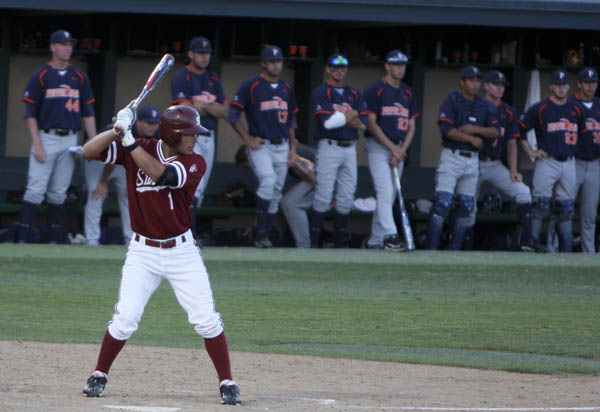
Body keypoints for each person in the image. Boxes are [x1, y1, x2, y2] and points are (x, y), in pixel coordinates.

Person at [80, 104, 241, 405]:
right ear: (172, 134)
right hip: (143, 251)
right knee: (125, 318)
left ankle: (227, 381)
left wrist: (127, 140)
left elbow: (163, 174)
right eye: (190, 134)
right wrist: (116, 128)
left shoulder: (194, 162)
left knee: (206, 319)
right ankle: (99, 373)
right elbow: (89, 151)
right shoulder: (139, 145)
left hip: (182, 252)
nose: (196, 139)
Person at [17, 29, 96, 243]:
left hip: (70, 139)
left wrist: (94, 141)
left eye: (70, 44)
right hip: (46, 137)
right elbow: (30, 114)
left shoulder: (79, 77)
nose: (68, 47)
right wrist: (37, 143)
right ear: (53, 47)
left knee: (59, 192)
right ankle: (22, 239)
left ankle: (52, 240)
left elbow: (87, 113)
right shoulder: (41, 75)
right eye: (63, 44)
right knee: (35, 189)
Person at [227, 45, 299, 248]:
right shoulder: (251, 85)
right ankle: (260, 233)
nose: (276, 65)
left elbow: (292, 120)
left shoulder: (286, 87)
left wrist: (293, 148)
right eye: (272, 61)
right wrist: (247, 139)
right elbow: (233, 115)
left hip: (283, 144)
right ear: (263, 63)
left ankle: (265, 234)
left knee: (276, 191)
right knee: (268, 181)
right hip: (261, 145)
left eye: (279, 61)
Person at [463, 70, 542, 252]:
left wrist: (513, 169)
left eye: (502, 86)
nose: (499, 89)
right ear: (487, 86)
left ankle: (527, 241)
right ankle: (464, 247)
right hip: (474, 161)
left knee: (523, 191)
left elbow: (512, 142)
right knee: (468, 205)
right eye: (496, 85)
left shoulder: (508, 111)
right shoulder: (476, 105)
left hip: (495, 163)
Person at [426, 65, 500, 250]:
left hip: (472, 160)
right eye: (471, 80)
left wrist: (475, 130)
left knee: (467, 206)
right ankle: (431, 249)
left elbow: (495, 131)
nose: (475, 84)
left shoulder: (485, 105)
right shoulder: (452, 100)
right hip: (452, 156)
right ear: (462, 82)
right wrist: (471, 139)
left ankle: (454, 250)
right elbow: (446, 129)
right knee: (443, 203)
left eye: (477, 80)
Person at [519, 69, 583, 253]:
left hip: (569, 162)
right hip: (547, 161)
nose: (561, 88)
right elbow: (520, 129)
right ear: (551, 87)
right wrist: (531, 151)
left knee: (566, 210)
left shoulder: (576, 108)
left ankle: (566, 251)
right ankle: (531, 245)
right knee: (540, 206)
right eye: (557, 85)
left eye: (564, 85)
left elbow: (586, 133)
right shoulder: (540, 108)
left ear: (568, 87)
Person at [77, 105, 160, 246]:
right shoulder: (127, 129)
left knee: (130, 196)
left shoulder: (156, 136)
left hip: (123, 160)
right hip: (98, 156)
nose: (152, 127)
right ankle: (92, 239)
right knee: (96, 193)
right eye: (148, 122)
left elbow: (143, 161)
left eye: (155, 123)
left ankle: (131, 239)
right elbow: (111, 159)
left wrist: (132, 183)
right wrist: (103, 182)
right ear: (138, 122)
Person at [308, 53, 368, 248]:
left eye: (342, 68)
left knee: (346, 197)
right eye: (335, 68)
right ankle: (314, 245)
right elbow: (327, 123)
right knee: (323, 196)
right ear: (327, 69)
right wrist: (350, 115)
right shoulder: (321, 91)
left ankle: (339, 245)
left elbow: (363, 124)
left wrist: (345, 118)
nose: (339, 71)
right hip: (329, 146)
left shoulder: (355, 93)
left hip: (350, 148)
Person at [362, 50, 419, 251]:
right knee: (385, 192)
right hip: (378, 148)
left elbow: (412, 126)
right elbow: (370, 123)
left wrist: (401, 150)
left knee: (389, 196)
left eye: (403, 65)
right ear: (387, 66)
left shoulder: (408, 92)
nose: (400, 68)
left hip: (398, 150)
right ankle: (390, 236)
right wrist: (392, 148)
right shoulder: (376, 89)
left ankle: (375, 241)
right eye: (396, 64)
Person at [171, 36, 228, 237]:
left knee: (200, 189)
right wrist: (205, 108)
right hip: (189, 137)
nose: (205, 57)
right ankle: (186, 235)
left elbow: (224, 111)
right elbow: (184, 109)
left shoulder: (213, 79)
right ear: (191, 54)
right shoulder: (182, 77)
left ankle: (186, 233)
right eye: (201, 53)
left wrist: (203, 106)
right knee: (192, 185)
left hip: (208, 137)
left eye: (207, 53)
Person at [572, 67, 600, 253]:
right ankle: (553, 248)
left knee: (589, 214)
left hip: (595, 163)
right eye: (587, 83)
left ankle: (588, 252)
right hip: (573, 162)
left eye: (593, 83)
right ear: (579, 84)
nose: (590, 86)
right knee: (564, 209)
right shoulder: (569, 104)